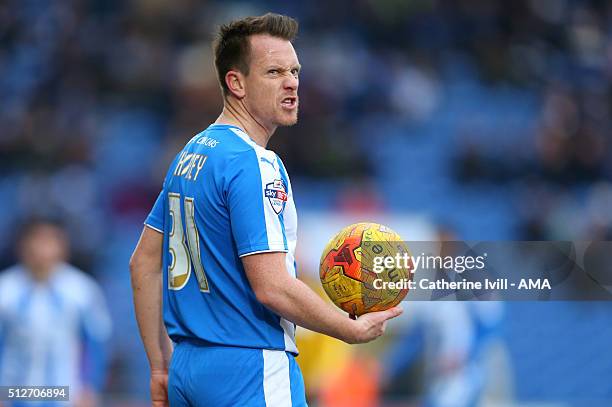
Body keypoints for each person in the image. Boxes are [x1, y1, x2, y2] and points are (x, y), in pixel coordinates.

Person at [129, 12, 402, 407]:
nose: (291, 82)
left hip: (188, 370)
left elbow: (142, 263)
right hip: (250, 365)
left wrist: (159, 366)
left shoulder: (189, 156)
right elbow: (271, 286)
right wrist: (348, 329)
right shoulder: (254, 163)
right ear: (235, 82)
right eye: (274, 72)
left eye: (294, 71)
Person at [0, 218, 112, 407]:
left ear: (63, 246)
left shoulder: (82, 290)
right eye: (36, 240)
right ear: (22, 246)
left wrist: (89, 387)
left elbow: (97, 343)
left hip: (66, 393)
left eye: (50, 241)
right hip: (13, 393)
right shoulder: (6, 289)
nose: (42, 249)